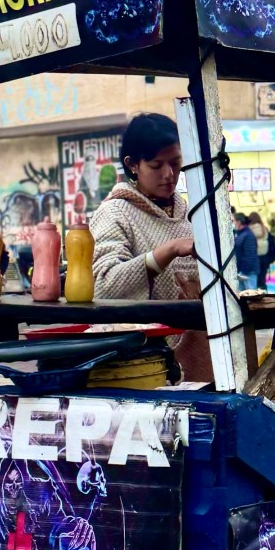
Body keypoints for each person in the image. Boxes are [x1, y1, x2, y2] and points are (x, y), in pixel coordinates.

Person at [90, 113, 212, 381]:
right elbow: (104, 287)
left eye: (176, 163)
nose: (169, 175)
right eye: (156, 165)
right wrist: (168, 251)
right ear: (132, 165)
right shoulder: (115, 214)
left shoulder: (192, 213)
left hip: (203, 354)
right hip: (141, 362)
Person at [249, 211, 275, 290]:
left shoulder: (248, 230)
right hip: (264, 260)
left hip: (252, 260)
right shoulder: (264, 229)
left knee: (252, 283)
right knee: (262, 281)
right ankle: (263, 295)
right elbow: (271, 243)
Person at [233, 213, 259, 291]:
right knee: (241, 295)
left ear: (239, 222)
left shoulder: (248, 235)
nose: (233, 223)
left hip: (248, 272)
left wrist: (244, 271)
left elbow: (250, 255)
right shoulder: (239, 234)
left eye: (234, 221)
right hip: (241, 272)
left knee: (250, 295)